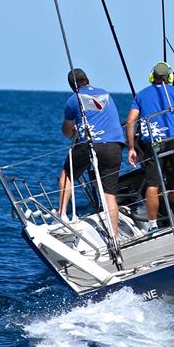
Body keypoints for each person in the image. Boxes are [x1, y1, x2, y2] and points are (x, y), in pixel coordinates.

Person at [126, 62, 174, 232]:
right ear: (170, 77)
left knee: (153, 184)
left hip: (153, 142)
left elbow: (130, 121)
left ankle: (153, 226)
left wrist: (131, 147)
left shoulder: (141, 95)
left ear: (152, 77)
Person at [58, 68, 125, 239]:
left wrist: (73, 132)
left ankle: (62, 215)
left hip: (91, 144)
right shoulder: (106, 94)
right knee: (109, 193)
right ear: (87, 80)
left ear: (72, 86)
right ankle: (115, 235)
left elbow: (66, 130)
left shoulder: (74, 99)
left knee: (68, 174)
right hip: (114, 144)